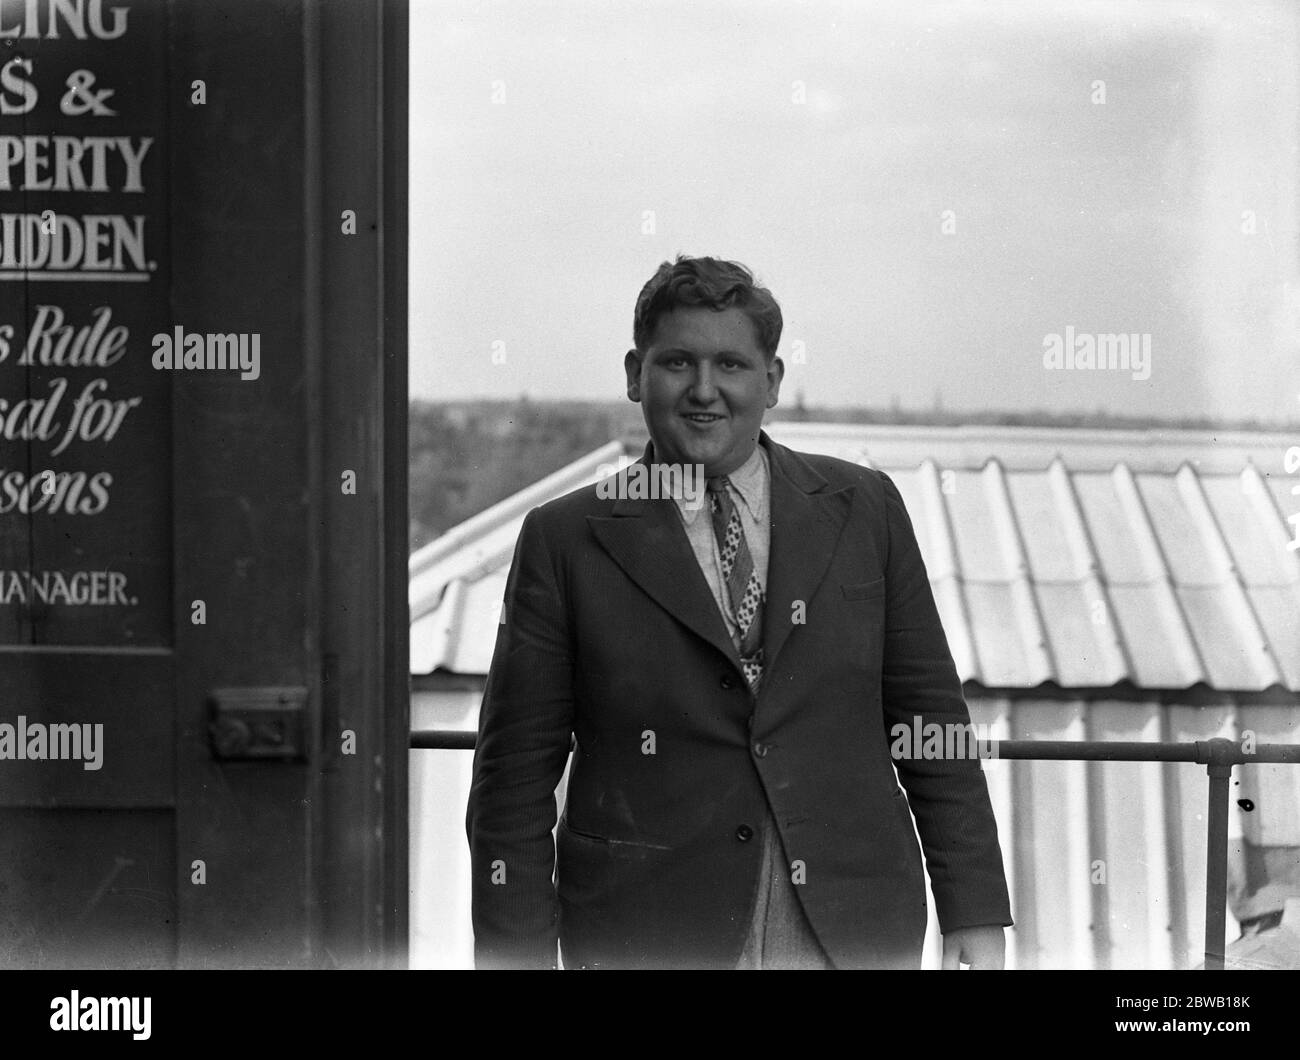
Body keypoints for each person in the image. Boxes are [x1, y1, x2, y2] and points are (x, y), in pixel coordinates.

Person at [465, 254, 1012, 969]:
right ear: (634, 374)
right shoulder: (566, 539)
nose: (704, 390)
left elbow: (929, 722)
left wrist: (973, 908)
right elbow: (513, 780)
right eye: (676, 363)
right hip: (648, 926)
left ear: (772, 382)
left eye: (731, 365)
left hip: (850, 926)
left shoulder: (864, 509)